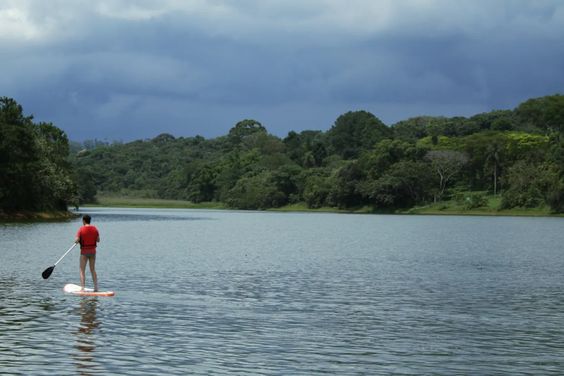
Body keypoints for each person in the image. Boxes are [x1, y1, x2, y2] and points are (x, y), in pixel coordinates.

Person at [75, 214, 100, 291]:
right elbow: (98, 240)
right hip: (93, 252)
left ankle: (82, 288)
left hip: (84, 252)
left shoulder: (81, 229)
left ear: (84, 221)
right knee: (92, 269)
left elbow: (76, 240)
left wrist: (77, 241)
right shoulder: (95, 229)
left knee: (82, 270)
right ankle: (96, 288)